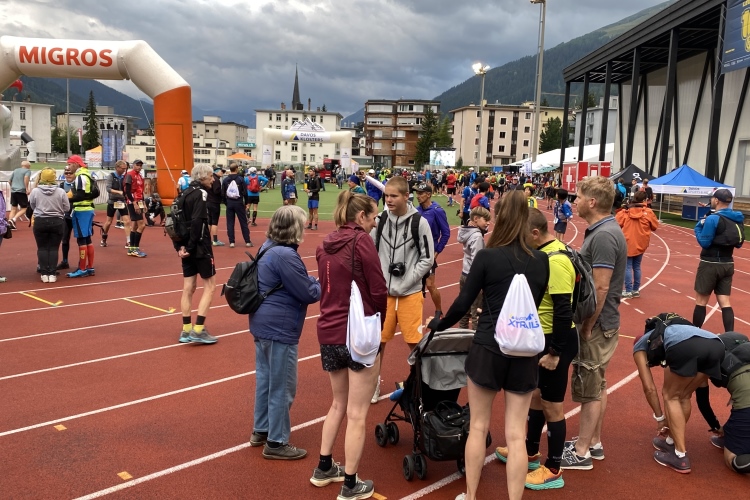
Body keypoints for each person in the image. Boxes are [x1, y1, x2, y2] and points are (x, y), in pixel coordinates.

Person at [427, 191, 550, 500]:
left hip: (488, 347)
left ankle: (471, 495)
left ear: (500, 218)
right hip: (523, 352)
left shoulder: (487, 257)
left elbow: (463, 302)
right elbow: (532, 303)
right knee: (517, 435)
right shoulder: (542, 260)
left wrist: (439, 324)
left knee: (478, 426)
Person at [312, 191, 387, 499]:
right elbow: (378, 289)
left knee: (337, 404)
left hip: (329, 331)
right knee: (357, 413)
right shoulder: (361, 241)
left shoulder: (323, 245)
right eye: (373, 217)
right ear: (361, 217)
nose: (375, 223)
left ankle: (324, 467)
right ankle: (351, 484)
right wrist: (379, 323)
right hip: (357, 335)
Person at [498, 207, 578, 490]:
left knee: (553, 406)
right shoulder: (543, 253)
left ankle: (554, 468)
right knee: (535, 395)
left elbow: (564, 310)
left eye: (520, 236)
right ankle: (531, 451)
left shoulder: (556, 260)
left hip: (556, 340)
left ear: (534, 233)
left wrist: (555, 352)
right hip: (541, 337)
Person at [561, 176, 627, 471]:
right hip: (603, 321)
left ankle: (581, 452)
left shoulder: (603, 236)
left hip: (598, 324)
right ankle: (593, 442)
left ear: (592, 202)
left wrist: (588, 325)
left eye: (577, 197)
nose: (573, 201)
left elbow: (601, 286)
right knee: (597, 384)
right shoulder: (603, 231)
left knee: (589, 385)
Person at [249, 205, 321, 460]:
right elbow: (308, 292)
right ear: (294, 228)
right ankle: (276, 442)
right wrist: (318, 282)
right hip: (280, 327)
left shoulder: (267, 246)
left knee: (266, 380)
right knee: (282, 385)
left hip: (262, 322)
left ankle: (261, 430)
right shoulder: (286, 255)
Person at [370, 175, 434, 403]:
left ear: (407, 196)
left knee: (415, 343)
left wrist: (407, 281)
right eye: (386, 196)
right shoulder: (380, 220)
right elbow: (370, 251)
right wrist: (379, 281)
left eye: (394, 196)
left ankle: (420, 386)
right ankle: (373, 383)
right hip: (383, 295)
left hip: (410, 294)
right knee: (377, 343)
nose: (388, 200)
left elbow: (427, 259)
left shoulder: (420, 223)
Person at [632, 317, 724, 473]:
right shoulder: (669, 333)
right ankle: (671, 441)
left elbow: (649, 388)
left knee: (671, 396)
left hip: (686, 346)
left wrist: (660, 419)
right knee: (684, 396)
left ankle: (680, 456)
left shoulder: (639, 346)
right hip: (717, 345)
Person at [174, 165, 219, 345]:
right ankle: (198, 329)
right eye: (211, 176)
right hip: (199, 247)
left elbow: (173, 223)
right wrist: (191, 247)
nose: (213, 179)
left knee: (188, 287)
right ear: (202, 177)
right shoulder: (201, 194)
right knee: (210, 286)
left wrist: (180, 247)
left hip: (186, 246)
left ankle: (186, 330)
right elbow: (198, 222)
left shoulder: (182, 194)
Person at [692, 188, 745, 332]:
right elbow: (739, 244)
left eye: (712, 199)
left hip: (710, 263)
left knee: (701, 301)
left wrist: (698, 227)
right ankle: (730, 335)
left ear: (716, 200)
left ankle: (694, 333)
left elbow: (705, 242)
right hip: (728, 263)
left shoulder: (713, 218)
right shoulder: (737, 218)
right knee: (725, 302)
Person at [415, 183, 450, 319]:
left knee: (430, 284)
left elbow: (446, 233)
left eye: (421, 193)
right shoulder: (416, 210)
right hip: (415, 253)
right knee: (415, 284)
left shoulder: (437, 211)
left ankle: (438, 311)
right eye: (417, 193)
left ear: (428, 194)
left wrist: (436, 252)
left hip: (429, 253)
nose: (418, 196)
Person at [29, 168, 69, 283]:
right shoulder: (61, 191)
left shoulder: (35, 191)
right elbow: (67, 208)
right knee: (54, 248)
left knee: (42, 248)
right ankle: (52, 273)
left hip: (40, 221)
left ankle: (44, 273)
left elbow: (32, 205)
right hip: (57, 221)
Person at [616, 191, 659, 299]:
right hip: (641, 243)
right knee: (636, 266)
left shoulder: (625, 212)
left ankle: (628, 290)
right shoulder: (648, 212)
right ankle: (635, 290)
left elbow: (616, 224)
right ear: (644, 200)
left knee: (627, 267)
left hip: (627, 242)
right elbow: (655, 226)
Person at [456, 207, 491, 329]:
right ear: (476, 219)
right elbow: (477, 259)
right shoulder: (477, 237)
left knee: (464, 307)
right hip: (473, 276)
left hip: (464, 273)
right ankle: (475, 335)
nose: (488, 223)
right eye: (485, 220)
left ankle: (462, 332)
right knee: (476, 310)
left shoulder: (466, 231)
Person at [65, 155, 97, 278]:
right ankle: (90, 267)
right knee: (87, 239)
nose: (68, 167)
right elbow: (93, 193)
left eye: (70, 164)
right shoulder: (87, 174)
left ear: (76, 164)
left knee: (82, 240)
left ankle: (82, 268)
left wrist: (66, 199)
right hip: (88, 209)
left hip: (81, 210)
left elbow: (80, 195)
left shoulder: (80, 177)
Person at [101, 160, 131, 248]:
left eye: (125, 168)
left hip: (122, 201)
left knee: (127, 221)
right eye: (123, 168)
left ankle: (128, 241)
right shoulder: (111, 176)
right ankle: (104, 237)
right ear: (117, 168)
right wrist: (118, 192)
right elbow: (108, 189)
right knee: (109, 222)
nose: (124, 170)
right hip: (112, 201)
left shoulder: (125, 177)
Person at [222, 163, 252, 248]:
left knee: (230, 223)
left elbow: (223, 193)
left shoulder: (225, 180)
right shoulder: (241, 179)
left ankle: (231, 242)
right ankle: (247, 241)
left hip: (229, 203)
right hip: (239, 202)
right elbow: (245, 192)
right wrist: (246, 203)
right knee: (243, 222)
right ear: (236, 169)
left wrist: (226, 203)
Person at [124, 159, 147, 257]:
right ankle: (135, 248)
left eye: (140, 165)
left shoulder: (140, 176)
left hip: (139, 201)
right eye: (137, 165)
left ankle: (132, 249)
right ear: (133, 165)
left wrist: (144, 203)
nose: (139, 167)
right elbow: (127, 191)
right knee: (142, 225)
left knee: (135, 226)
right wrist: (134, 203)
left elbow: (140, 191)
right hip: (133, 202)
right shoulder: (130, 175)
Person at [57, 167, 75, 270]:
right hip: (65, 216)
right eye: (66, 173)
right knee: (64, 240)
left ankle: (82, 263)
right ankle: (65, 261)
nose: (68, 175)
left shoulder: (78, 185)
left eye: (70, 173)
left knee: (81, 240)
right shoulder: (61, 186)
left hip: (76, 215)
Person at [7, 160, 31, 229]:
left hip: (13, 191)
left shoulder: (16, 170)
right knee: (25, 208)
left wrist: (12, 187)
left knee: (13, 208)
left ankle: (10, 224)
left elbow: (9, 181)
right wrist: (27, 188)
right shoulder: (27, 171)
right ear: (28, 166)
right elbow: (26, 178)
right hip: (21, 191)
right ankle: (13, 219)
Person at [207, 166, 225, 246]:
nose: (222, 173)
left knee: (209, 222)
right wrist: (222, 193)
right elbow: (216, 191)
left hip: (208, 201)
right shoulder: (216, 180)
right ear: (217, 171)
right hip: (214, 202)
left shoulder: (210, 179)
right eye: (221, 171)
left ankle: (207, 239)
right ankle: (215, 240)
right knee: (214, 222)